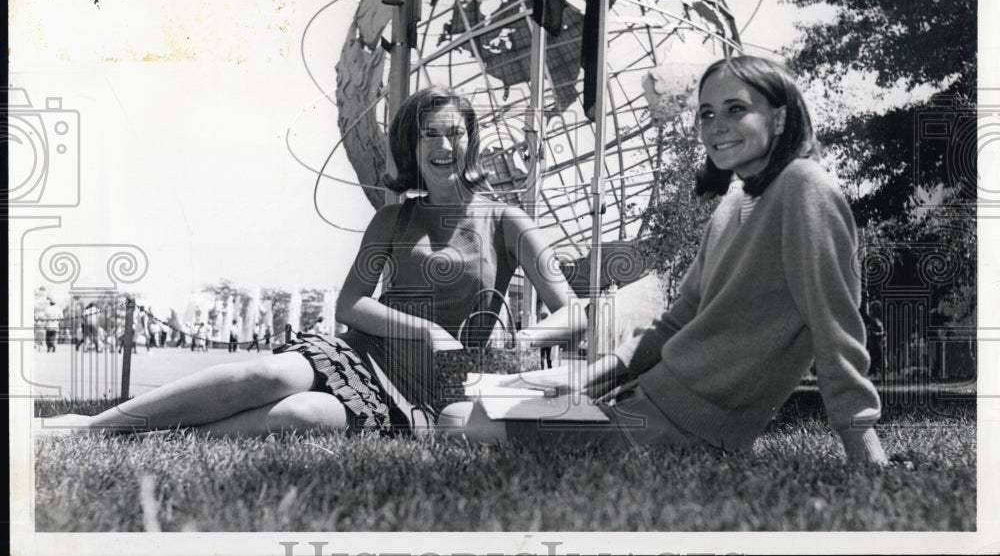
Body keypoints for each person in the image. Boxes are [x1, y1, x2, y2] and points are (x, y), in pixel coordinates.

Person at [39, 86, 582, 437]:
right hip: (360, 354)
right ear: (412, 147)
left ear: (471, 142)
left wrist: (524, 341)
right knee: (269, 372)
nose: (444, 145)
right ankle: (95, 426)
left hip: (429, 393)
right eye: (430, 134)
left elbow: (574, 312)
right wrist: (422, 329)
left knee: (299, 416)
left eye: (455, 133)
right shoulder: (393, 220)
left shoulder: (509, 221)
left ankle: (151, 432)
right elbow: (352, 305)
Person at [442, 56, 889, 465]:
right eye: (707, 114)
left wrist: (862, 445)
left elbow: (836, 324)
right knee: (466, 412)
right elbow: (673, 325)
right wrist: (583, 382)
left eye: (736, 109)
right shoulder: (733, 205)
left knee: (461, 422)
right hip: (644, 403)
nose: (717, 126)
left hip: (684, 430)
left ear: (779, 118)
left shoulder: (804, 187)